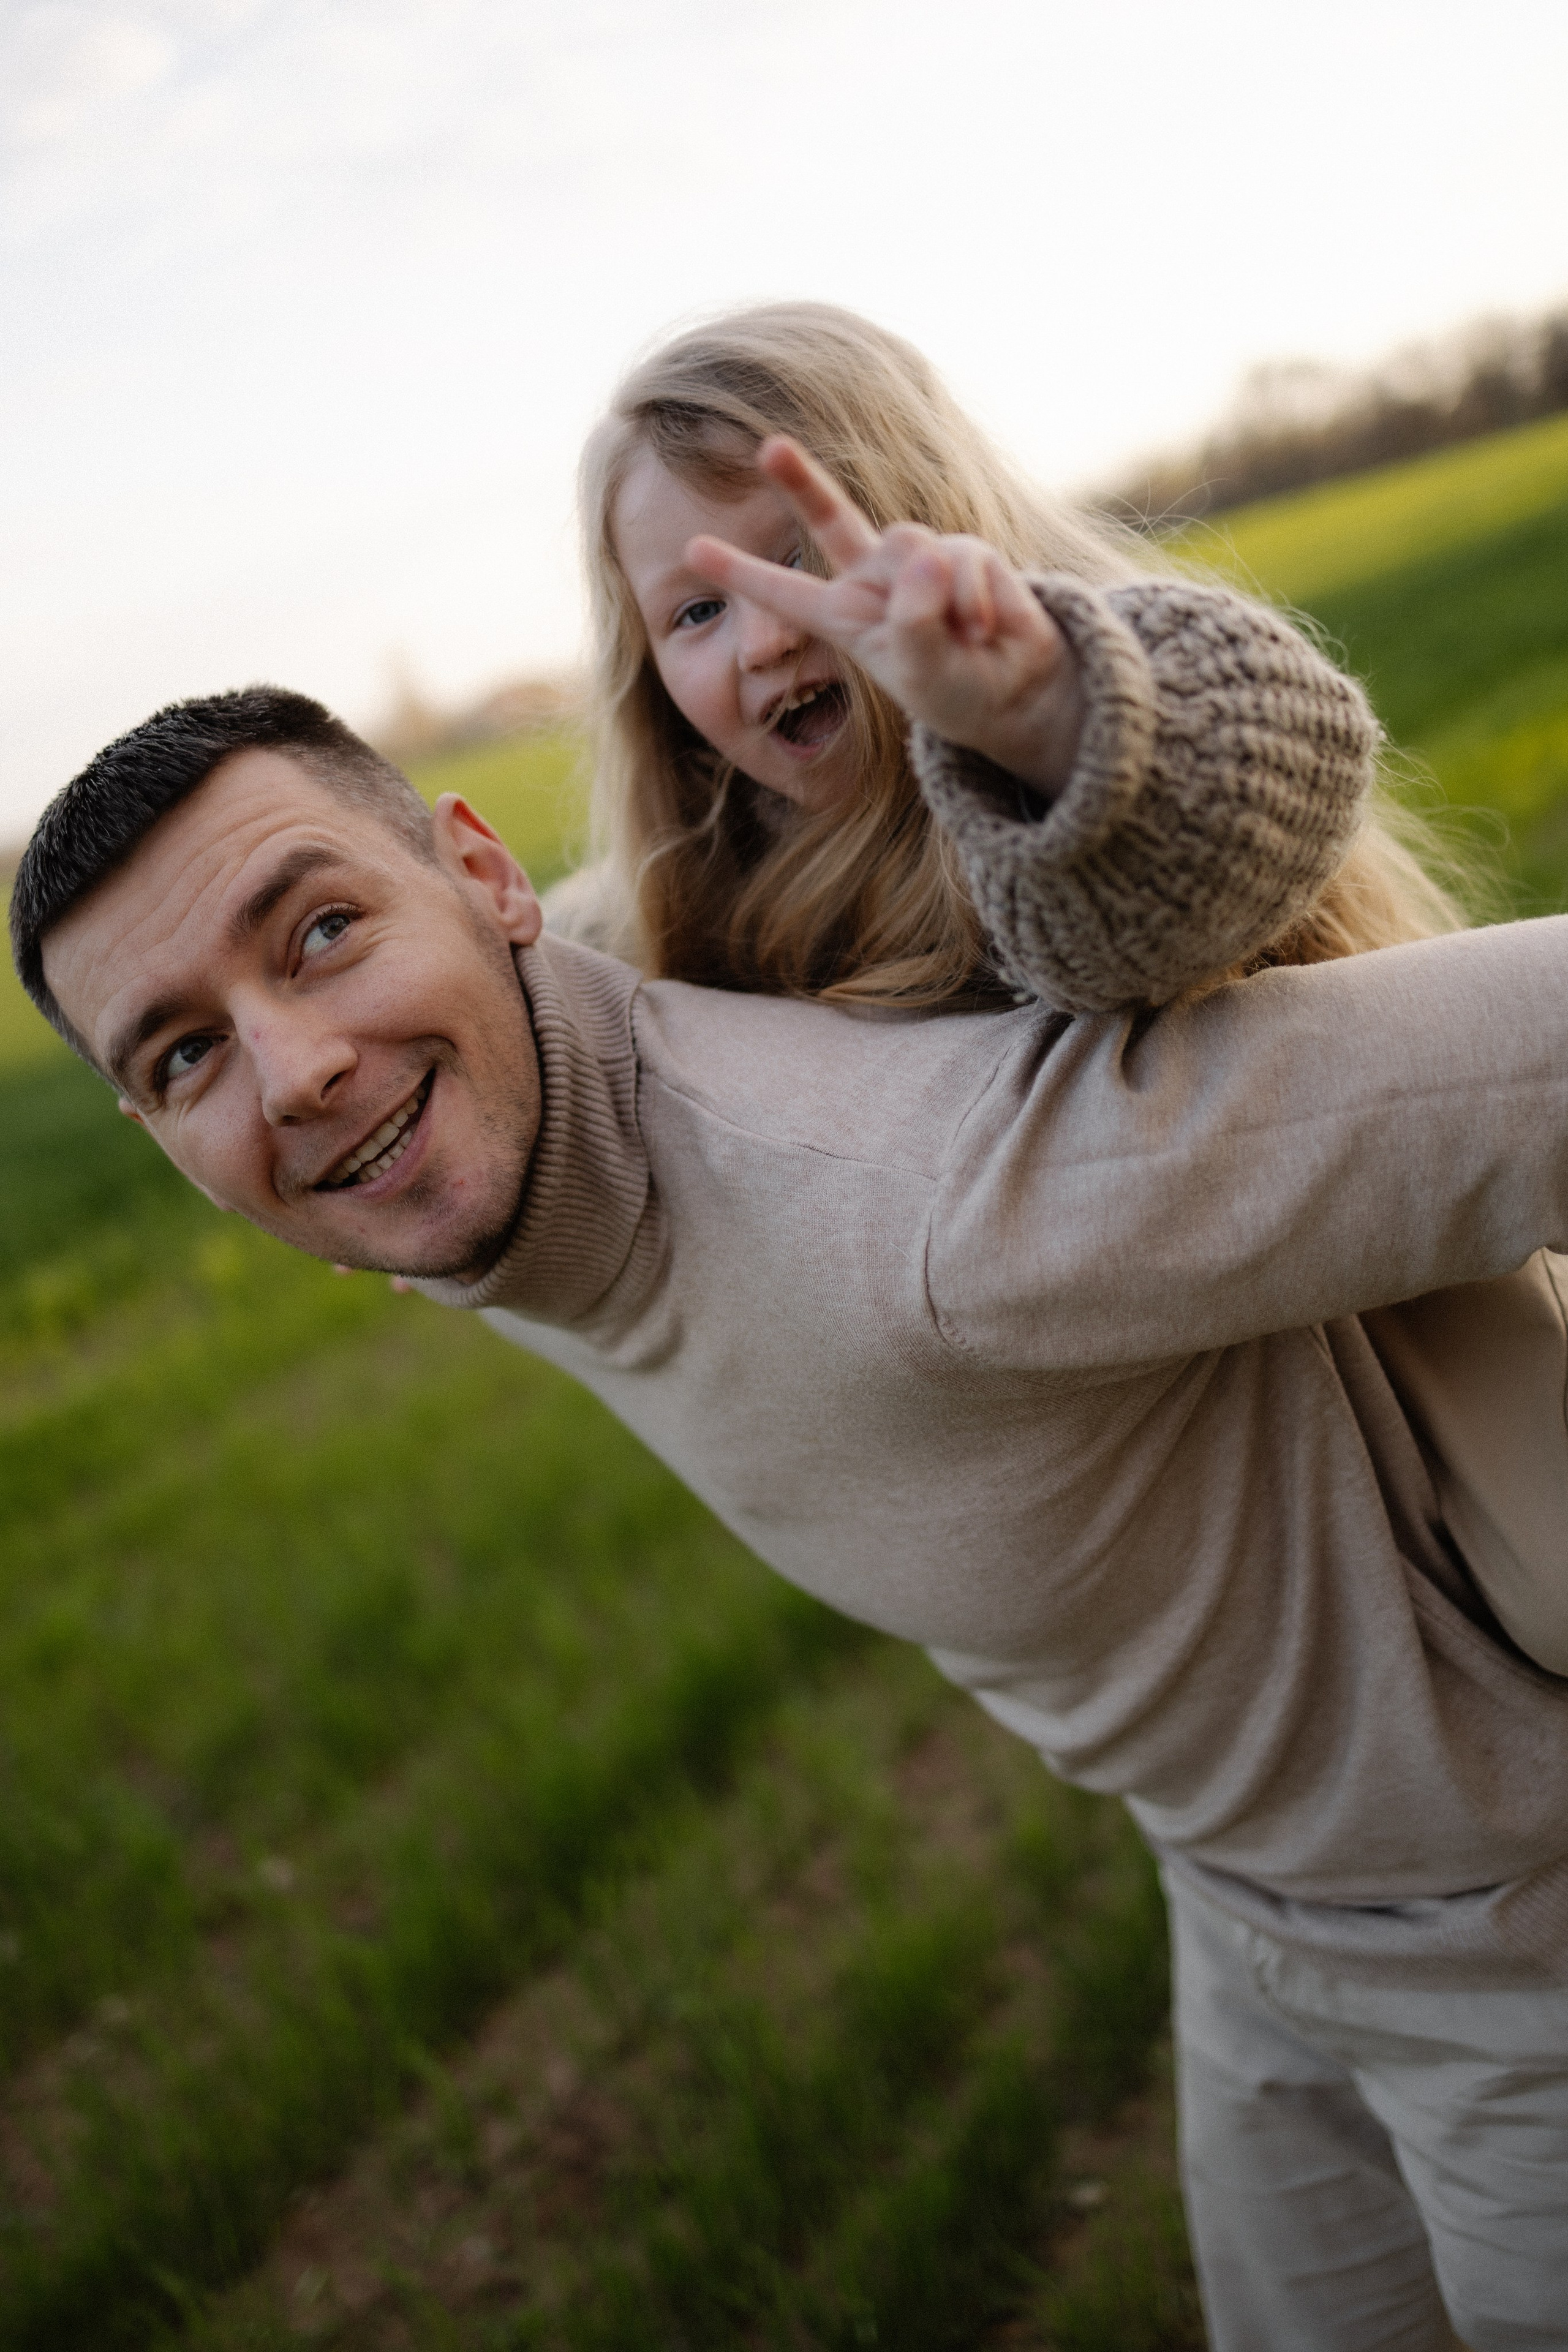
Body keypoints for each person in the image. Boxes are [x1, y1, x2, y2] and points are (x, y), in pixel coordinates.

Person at [12, 685, 1568, 2350]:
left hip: (1510, 1927)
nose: (296, 1071)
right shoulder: (476, 1131)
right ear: (153, 1129)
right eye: (185, 1055)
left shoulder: (935, 1205)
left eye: (320, 932)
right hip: (1247, 1896)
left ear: (484, 879)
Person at [564, 299, 1568, 1681]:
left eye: (804, 561)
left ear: (931, 521)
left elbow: (1225, 820)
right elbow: (542, 959)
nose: (763, 637)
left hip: (1369, 1317)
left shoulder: (1092, 706)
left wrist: (1038, 718)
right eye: (693, 608)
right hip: (1123, 1467)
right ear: (645, 676)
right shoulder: (711, 891)